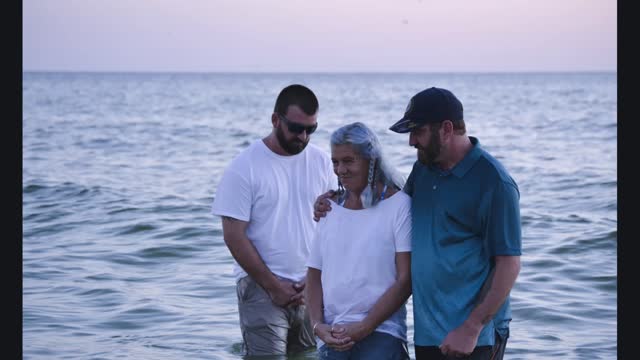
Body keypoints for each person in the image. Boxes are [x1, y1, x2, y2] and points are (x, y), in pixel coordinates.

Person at [314, 87, 522, 360]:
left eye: (418, 131)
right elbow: (386, 201)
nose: (411, 141)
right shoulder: (424, 169)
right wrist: (337, 198)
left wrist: (472, 327)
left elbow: (509, 263)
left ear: (446, 129)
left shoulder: (494, 182)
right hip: (427, 333)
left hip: (473, 336)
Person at [211, 84, 337, 357]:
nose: (303, 137)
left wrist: (314, 278)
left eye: (311, 130)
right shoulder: (244, 167)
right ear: (275, 120)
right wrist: (272, 285)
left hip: (310, 286)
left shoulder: (323, 163)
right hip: (260, 287)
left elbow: (334, 226)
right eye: (296, 128)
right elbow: (233, 235)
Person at [306, 122, 412, 360]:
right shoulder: (328, 208)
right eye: (335, 162)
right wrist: (317, 326)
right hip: (333, 333)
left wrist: (365, 326)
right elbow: (313, 274)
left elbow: (406, 280)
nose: (340, 169)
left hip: (383, 330)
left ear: (371, 160)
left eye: (349, 160)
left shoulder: (399, 206)